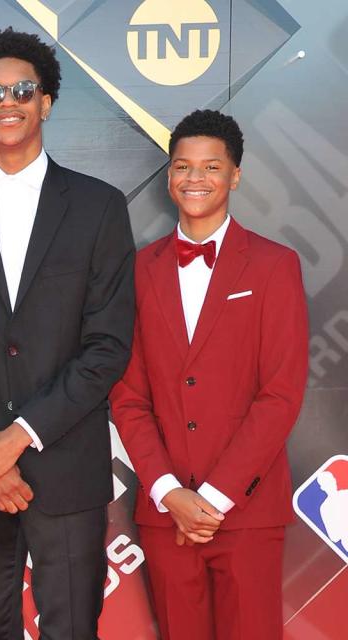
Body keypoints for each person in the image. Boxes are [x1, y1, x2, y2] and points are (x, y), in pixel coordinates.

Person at [0, 28, 135, 640]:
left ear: (46, 101)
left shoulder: (99, 207)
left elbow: (107, 346)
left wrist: (18, 437)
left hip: (65, 466)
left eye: (22, 89)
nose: (7, 102)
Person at [109, 110, 309, 640]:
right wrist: (170, 492)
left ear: (235, 175)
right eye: (183, 166)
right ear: (169, 176)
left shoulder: (274, 265)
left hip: (247, 509)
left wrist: (215, 498)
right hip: (165, 511)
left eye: (211, 166)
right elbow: (128, 397)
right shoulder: (137, 269)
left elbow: (281, 393)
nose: (195, 178)